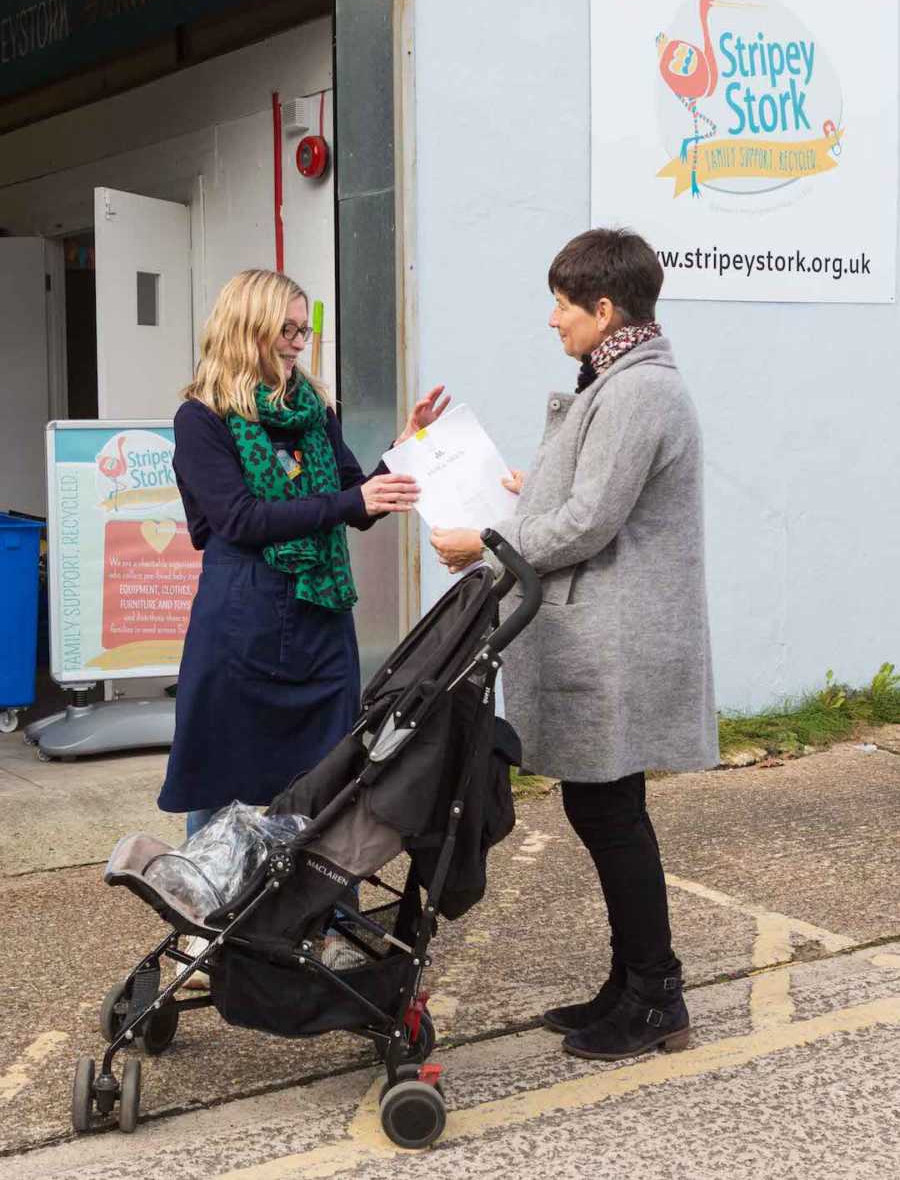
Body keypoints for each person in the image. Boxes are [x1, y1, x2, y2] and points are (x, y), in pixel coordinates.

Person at [430, 228, 719, 1060]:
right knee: (606, 804)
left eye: (563, 303)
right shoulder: (616, 382)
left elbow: (593, 519)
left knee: (609, 808)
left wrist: (488, 544)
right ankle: (634, 981)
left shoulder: (637, 393)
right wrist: (530, 489)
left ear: (604, 308)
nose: (552, 318)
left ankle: (657, 993)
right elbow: (590, 490)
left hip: (617, 636)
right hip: (606, 629)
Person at [159, 269, 447, 978]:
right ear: (248, 328)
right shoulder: (201, 418)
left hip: (319, 623)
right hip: (242, 619)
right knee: (219, 775)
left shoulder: (313, 408)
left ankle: (326, 917)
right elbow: (238, 519)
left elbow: (357, 492)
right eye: (286, 330)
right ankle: (205, 917)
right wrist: (351, 503)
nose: (298, 343)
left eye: (302, 329)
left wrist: (409, 445)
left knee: (331, 781)